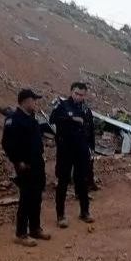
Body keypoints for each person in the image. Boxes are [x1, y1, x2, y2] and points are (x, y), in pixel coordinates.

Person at [1, 89, 52, 247]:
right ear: (25, 101)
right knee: (26, 198)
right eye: (33, 100)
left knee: (36, 197)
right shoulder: (14, 120)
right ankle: (21, 233)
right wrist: (18, 161)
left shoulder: (31, 118)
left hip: (37, 163)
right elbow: (7, 144)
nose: (36, 103)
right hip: (25, 166)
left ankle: (35, 228)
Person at [49, 82, 96, 228]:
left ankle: (85, 211)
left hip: (81, 150)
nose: (78, 97)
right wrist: (72, 119)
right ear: (71, 92)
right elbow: (52, 119)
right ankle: (60, 215)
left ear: (85, 95)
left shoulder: (86, 110)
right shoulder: (62, 106)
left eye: (81, 95)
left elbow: (90, 131)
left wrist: (91, 149)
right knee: (63, 181)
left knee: (81, 180)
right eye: (76, 93)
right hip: (65, 150)